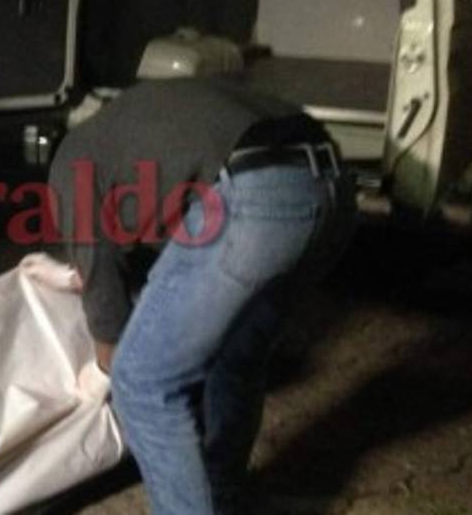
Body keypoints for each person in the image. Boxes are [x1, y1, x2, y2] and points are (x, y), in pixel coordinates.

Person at [48, 77, 357, 515]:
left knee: (141, 381)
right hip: (334, 192)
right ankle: (223, 499)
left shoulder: (70, 163)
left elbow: (101, 284)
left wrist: (103, 370)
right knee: (235, 356)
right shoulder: (140, 130)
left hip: (257, 193)